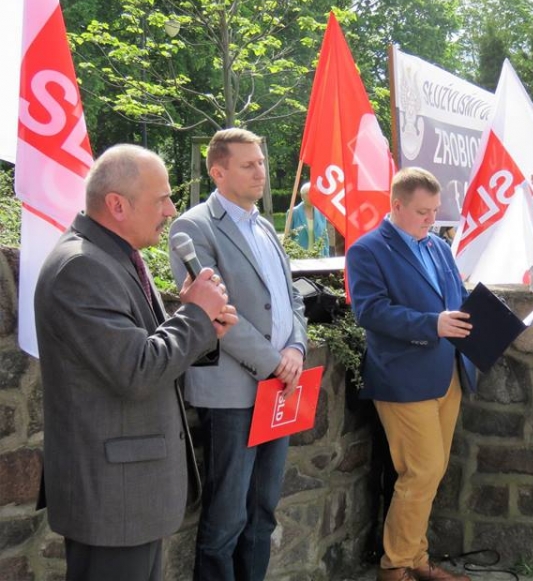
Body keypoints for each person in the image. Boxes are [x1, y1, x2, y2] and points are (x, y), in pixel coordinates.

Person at [36, 145, 237, 581]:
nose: (171, 210)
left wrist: (202, 326)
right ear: (117, 205)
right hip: (113, 496)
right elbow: (137, 370)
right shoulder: (82, 267)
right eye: (161, 199)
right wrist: (195, 316)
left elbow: (145, 348)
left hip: (129, 493)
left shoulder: (113, 255)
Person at [169, 128, 308, 581]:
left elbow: (292, 297)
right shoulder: (193, 227)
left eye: (261, 162)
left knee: (263, 512)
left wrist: (296, 347)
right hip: (232, 394)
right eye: (248, 164)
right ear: (218, 171)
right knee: (226, 518)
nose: (260, 171)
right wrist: (275, 363)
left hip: (278, 389)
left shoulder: (264, 226)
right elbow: (215, 313)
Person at [346, 167, 477, 581]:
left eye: (436, 211)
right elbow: (370, 311)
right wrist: (431, 324)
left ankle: (417, 559)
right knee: (421, 471)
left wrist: (488, 313)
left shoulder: (439, 246)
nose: (431, 219)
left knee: (431, 472)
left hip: (448, 372)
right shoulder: (367, 250)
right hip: (402, 377)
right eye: (423, 212)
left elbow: (457, 296)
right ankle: (395, 567)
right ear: (396, 205)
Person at [287, 181, 330, 254]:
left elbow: (325, 238)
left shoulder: (321, 212)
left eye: (314, 193)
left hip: (319, 256)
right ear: (302, 196)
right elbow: (287, 237)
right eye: (308, 194)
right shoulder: (293, 212)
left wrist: (326, 255)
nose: (312, 196)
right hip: (300, 256)